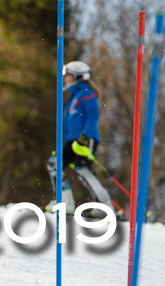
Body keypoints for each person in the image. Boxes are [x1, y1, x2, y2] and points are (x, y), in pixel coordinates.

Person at [45, 60, 114, 215]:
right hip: (72, 140)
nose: (66, 79)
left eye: (68, 76)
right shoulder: (74, 97)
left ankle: (105, 205)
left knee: (82, 170)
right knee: (54, 163)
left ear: (78, 76)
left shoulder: (86, 94)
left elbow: (93, 115)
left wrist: (85, 136)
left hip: (84, 139)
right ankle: (64, 200)